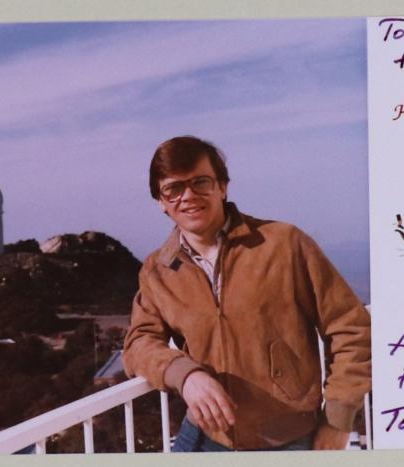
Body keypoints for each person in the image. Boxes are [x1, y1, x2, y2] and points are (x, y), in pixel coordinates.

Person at [122, 135, 371, 452]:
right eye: (173, 188)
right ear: (161, 200)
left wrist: (338, 418)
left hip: (289, 439)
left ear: (222, 187)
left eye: (201, 182)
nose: (188, 196)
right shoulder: (158, 270)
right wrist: (184, 375)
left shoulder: (283, 244)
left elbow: (350, 326)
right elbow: (139, 343)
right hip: (206, 436)